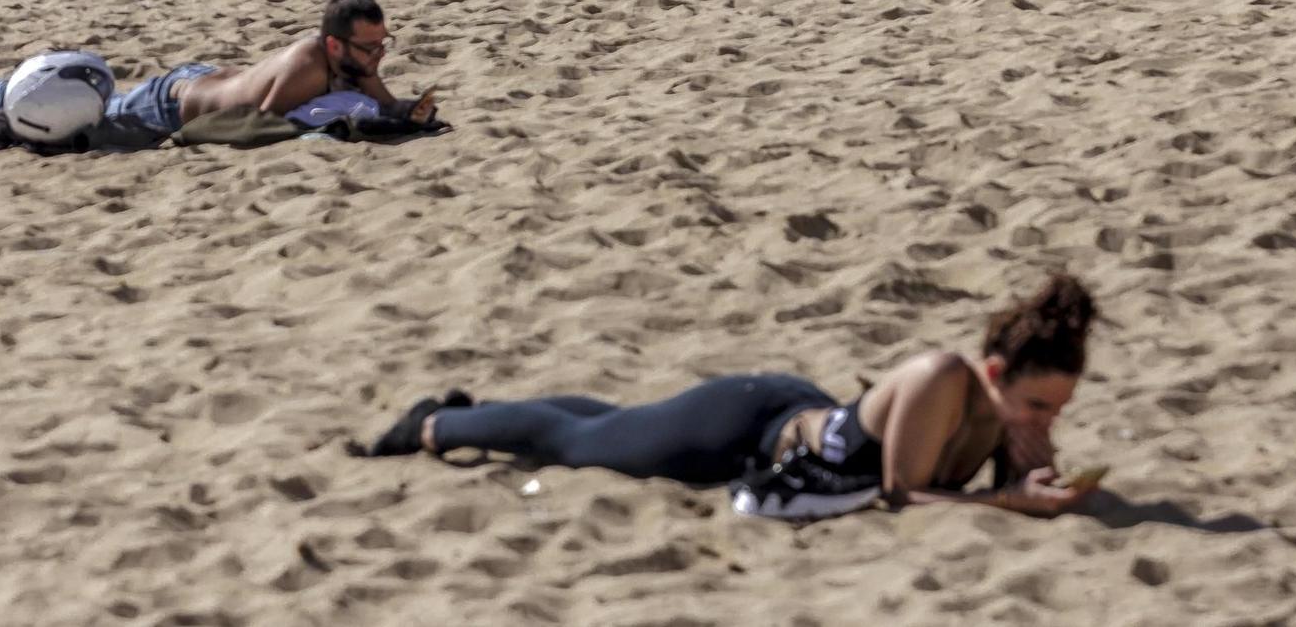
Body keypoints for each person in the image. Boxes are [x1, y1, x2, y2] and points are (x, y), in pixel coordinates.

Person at [364, 271, 1100, 517]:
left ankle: (467, 407)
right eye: (1038, 405)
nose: (1044, 419)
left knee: (618, 425)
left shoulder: (1008, 411)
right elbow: (904, 491)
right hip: (749, 422)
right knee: (581, 444)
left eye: (1057, 409)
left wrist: (1030, 470)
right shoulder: (942, 377)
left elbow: (1005, 491)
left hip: (793, 412)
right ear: (998, 373)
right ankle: (434, 424)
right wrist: (1007, 500)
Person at [0, 0, 438, 144]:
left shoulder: (356, 62)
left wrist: (409, 113)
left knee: (95, 110)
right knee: (82, 116)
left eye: (382, 45)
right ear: (334, 45)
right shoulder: (308, 65)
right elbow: (261, 122)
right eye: (370, 47)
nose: (379, 57)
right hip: (172, 106)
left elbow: (385, 100)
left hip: (199, 80)